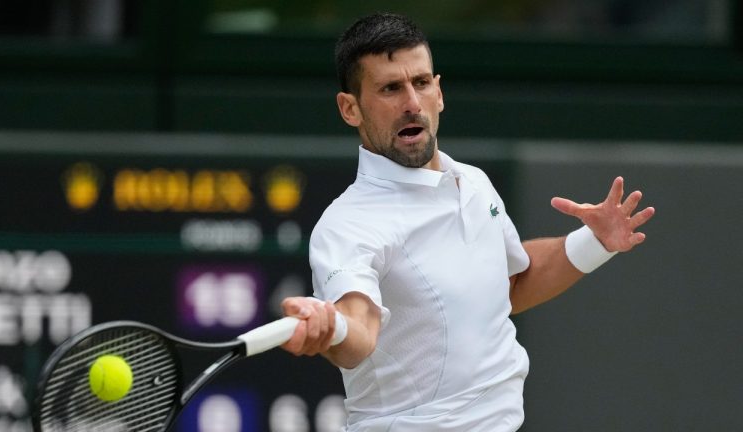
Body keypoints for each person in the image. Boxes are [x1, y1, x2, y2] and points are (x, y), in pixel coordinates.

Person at [280, 12, 655, 431]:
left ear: (438, 92)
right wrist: (333, 329)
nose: (411, 103)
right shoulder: (347, 225)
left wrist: (594, 242)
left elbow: (510, 285)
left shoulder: (472, 183)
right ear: (350, 109)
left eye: (420, 83)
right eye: (390, 88)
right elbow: (360, 327)